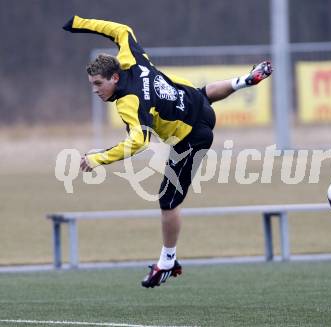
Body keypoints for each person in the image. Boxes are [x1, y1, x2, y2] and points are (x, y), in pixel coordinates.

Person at [63, 15, 272, 288]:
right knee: (200, 93)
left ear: (115, 77)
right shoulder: (131, 58)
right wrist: (80, 22)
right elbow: (121, 30)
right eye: (92, 84)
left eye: (99, 84)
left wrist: (97, 158)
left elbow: (139, 142)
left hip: (192, 139)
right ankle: (244, 80)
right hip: (196, 103)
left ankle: (167, 261)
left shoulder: (129, 101)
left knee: (168, 200)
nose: (95, 90)